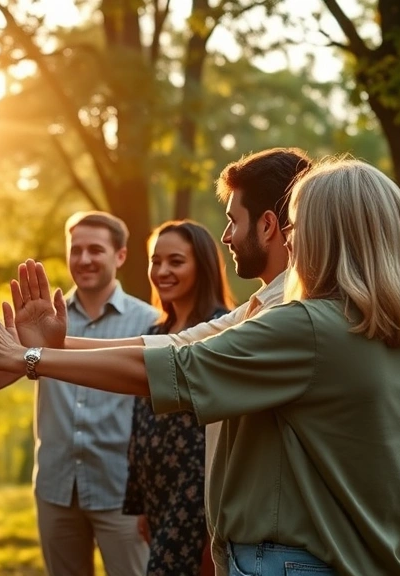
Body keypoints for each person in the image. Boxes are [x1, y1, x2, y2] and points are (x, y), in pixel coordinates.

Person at [0, 158, 400, 575]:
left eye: (296, 222)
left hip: (297, 562)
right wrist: (55, 348)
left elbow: (174, 368)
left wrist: (27, 359)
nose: (290, 237)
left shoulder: (309, 326)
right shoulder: (399, 331)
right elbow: (176, 347)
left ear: (323, 231)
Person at [15, 211, 158, 576]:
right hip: (55, 487)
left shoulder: (150, 323)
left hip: (123, 494)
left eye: (96, 250)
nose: (84, 259)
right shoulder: (41, 320)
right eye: (75, 250)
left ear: (120, 256)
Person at [122, 221, 233, 576]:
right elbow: (140, 423)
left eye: (176, 261)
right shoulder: (154, 332)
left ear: (201, 265)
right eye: (156, 261)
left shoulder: (224, 328)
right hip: (157, 493)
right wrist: (140, 501)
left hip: (197, 494)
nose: (162, 271)